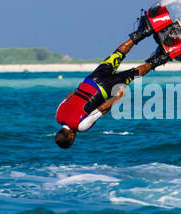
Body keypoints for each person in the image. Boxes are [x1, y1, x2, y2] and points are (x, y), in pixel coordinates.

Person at [54, 16, 171, 148]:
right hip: (91, 80)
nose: (74, 139)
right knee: (117, 55)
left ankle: (162, 57)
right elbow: (69, 96)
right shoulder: (58, 115)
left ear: (70, 137)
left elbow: (102, 109)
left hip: (105, 89)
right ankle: (144, 30)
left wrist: (118, 98)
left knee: (132, 74)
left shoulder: (81, 126)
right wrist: (81, 92)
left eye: (72, 141)